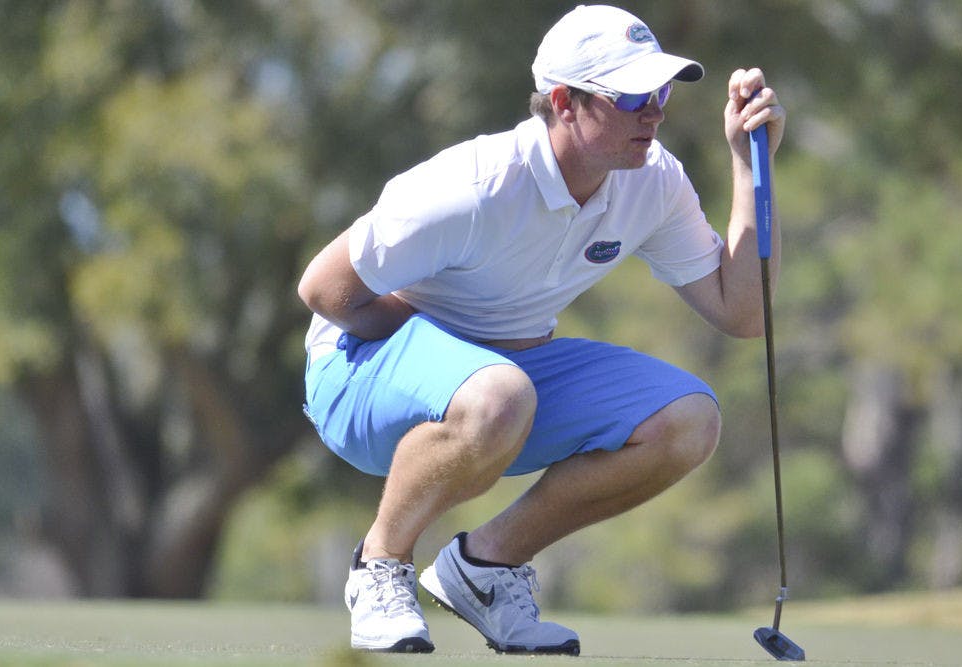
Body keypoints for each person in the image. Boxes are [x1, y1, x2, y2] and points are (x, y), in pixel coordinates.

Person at [297, 3, 786, 656]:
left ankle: (485, 568)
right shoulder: (474, 185)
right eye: (634, 94)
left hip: (503, 382)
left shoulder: (652, 182)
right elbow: (324, 289)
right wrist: (451, 354)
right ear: (564, 101)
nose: (656, 110)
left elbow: (743, 311)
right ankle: (381, 565)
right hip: (358, 372)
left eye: (662, 90)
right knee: (500, 392)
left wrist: (751, 163)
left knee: (688, 419)